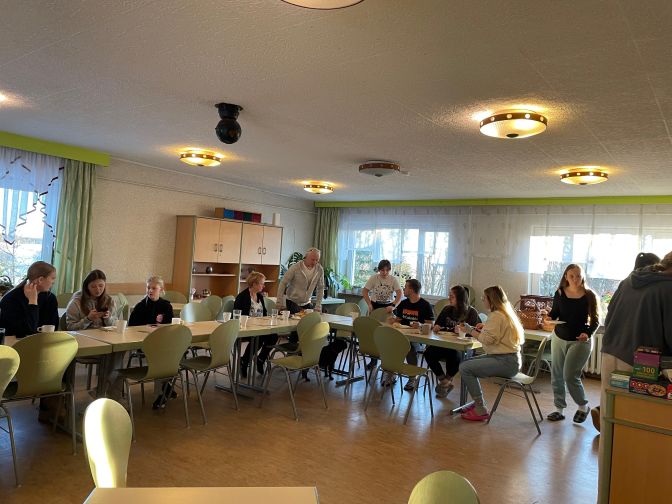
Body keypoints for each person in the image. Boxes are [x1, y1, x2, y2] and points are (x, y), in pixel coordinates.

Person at [597, 251, 672, 502]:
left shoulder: (629, 280)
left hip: (610, 356)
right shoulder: (668, 289)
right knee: (641, 439)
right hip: (641, 367)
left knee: (610, 431)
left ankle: (608, 494)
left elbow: (610, 317)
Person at [590, 251, 660, 431]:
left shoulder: (625, 284)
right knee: (630, 405)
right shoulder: (656, 289)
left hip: (610, 349)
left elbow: (610, 314)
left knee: (609, 397)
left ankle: (606, 432)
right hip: (636, 355)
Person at [458, 285, 524, 422]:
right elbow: (496, 335)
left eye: (484, 298)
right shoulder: (504, 313)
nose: (482, 300)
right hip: (510, 359)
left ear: (491, 300)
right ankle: (477, 403)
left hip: (505, 361)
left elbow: (487, 340)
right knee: (466, 364)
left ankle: (480, 408)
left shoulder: (496, 316)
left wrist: (470, 330)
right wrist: (485, 328)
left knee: (465, 367)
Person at [543, 264, 599, 423]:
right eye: (572, 276)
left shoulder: (589, 295)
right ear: (566, 277)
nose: (575, 279)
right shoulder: (560, 293)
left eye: (578, 276)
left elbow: (595, 320)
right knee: (556, 375)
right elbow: (555, 313)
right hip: (559, 337)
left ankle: (583, 406)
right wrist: (548, 317)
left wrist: (587, 334)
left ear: (583, 277)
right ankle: (559, 409)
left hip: (580, 341)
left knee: (569, 376)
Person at [425, 285, 480, 398]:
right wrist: (436, 328)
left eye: (452, 296)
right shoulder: (447, 309)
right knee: (428, 353)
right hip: (446, 343)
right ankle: (444, 381)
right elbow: (437, 325)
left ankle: (446, 380)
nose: (449, 298)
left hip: (464, 347)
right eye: (449, 295)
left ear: (460, 298)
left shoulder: (471, 312)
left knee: (454, 355)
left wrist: (464, 331)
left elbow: (476, 333)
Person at [391, 278, 434, 391]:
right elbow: (398, 320)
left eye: (405, 287)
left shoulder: (425, 305)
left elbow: (431, 325)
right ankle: (392, 373)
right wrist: (393, 320)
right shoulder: (403, 303)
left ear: (411, 290)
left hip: (418, 338)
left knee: (410, 348)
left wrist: (420, 325)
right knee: (391, 344)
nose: (403, 289)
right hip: (402, 335)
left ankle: (412, 378)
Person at [235, 271, 279, 378]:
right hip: (246, 328)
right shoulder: (242, 297)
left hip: (259, 327)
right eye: (262, 283)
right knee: (259, 337)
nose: (264, 286)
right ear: (254, 284)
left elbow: (264, 314)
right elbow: (236, 315)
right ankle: (245, 361)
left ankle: (261, 359)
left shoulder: (260, 296)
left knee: (274, 336)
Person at [0, 261, 59, 339]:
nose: (53, 282)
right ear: (41, 279)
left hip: (43, 341)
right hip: (13, 343)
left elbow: (53, 327)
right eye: (52, 278)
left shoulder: (50, 298)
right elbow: (27, 331)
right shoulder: (10, 299)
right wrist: (33, 302)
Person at [277, 247, 324, 314]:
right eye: (312, 259)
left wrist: (318, 305)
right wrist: (279, 302)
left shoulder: (319, 269)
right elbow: (283, 283)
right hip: (292, 301)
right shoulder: (296, 267)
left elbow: (320, 288)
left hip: (306, 302)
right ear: (306, 257)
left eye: (317, 260)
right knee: (299, 317)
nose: (315, 262)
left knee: (314, 317)